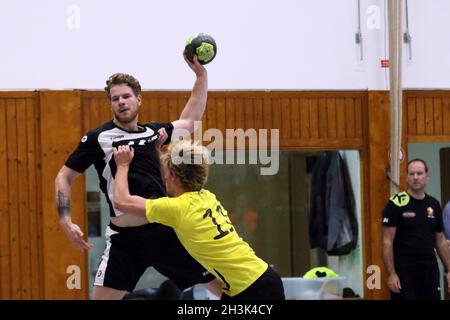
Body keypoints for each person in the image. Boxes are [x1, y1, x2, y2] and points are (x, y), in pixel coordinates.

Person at [55, 52, 222, 299]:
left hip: (163, 231)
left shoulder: (155, 133)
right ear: (111, 104)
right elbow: (64, 176)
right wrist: (65, 220)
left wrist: (201, 75)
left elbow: (190, 119)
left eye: (126, 96)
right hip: (124, 240)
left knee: (221, 289)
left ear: (138, 99)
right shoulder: (98, 138)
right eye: (115, 99)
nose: (121, 102)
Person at [112, 141, 285, 300]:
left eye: (165, 175)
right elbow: (176, 171)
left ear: (173, 175)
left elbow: (121, 201)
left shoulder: (177, 209)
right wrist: (157, 152)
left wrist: (122, 165)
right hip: (259, 279)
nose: (163, 178)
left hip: (252, 289)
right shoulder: (207, 197)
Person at [382, 158, 450, 300]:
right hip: (404, 270)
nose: (415, 177)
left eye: (419, 173)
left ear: (427, 176)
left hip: (429, 269)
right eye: (411, 174)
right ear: (406, 177)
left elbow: (441, 241)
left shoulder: (434, 204)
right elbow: (387, 242)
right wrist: (392, 273)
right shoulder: (395, 204)